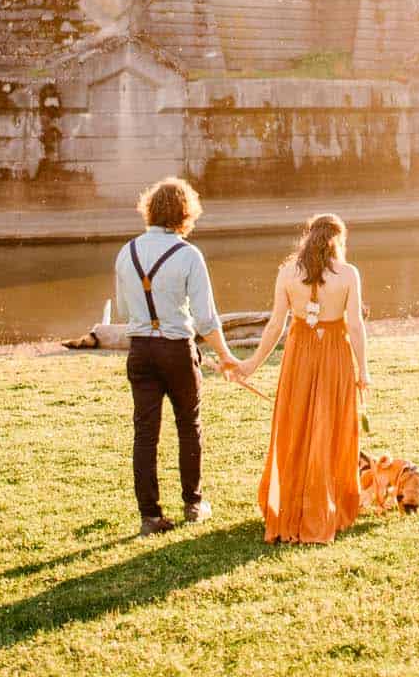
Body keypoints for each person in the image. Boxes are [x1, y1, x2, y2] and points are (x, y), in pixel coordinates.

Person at [114, 176, 241, 537]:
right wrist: (226, 356)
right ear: (186, 213)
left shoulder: (127, 252)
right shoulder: (188, 255)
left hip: (140, 349)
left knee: (145, 434)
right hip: (176, 349)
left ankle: (150, 516)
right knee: (189, 426)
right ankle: (194, 503)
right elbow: (205, 318)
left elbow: (124, 308)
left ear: (150, 209)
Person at [238, 212, 369, 545]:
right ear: (338, 239)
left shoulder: (287, 272)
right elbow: (354, 325)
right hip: (335, 355)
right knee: (329, 426)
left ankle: (289, 509)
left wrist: (252, 363)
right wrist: (363, 370)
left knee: (295, 427)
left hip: (299, 355)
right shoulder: (348, 274)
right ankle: (324, 508)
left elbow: (275, 326)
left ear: (308, 236)